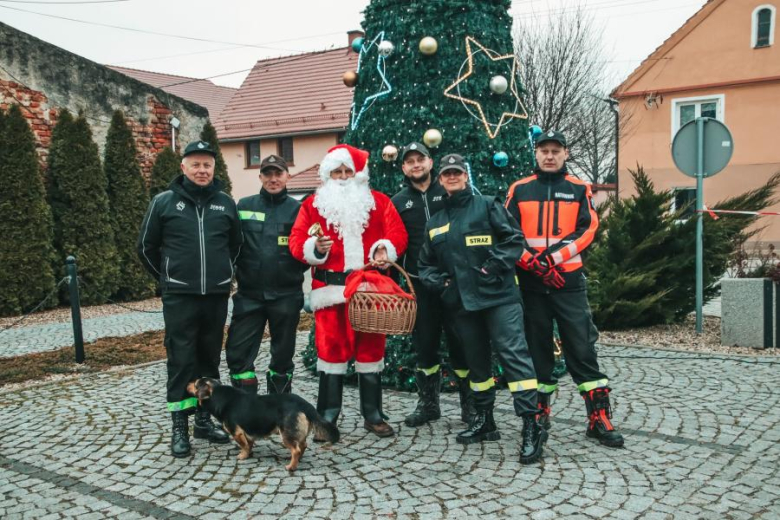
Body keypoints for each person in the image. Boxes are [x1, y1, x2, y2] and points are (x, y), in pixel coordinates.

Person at [418, 153, 546, 464]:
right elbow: (425, 265)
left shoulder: (487, 205)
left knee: (514, 358)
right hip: (462, 304)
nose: (452, 177)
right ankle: (485, 419)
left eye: (457, 172)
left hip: (499, 298)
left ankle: (532, 425)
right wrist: (442, 284)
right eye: (447, 173)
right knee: (476, 364)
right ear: (440, 179)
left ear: (465, 176)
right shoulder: (435, 222)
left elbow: (513, 239)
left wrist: (492, 267)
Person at [505, 130, 624, 448]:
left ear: (565, 154)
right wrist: (531, 263)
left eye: (555, 151)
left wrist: (552, 259)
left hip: (568, 283)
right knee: (536, 350)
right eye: (544, 150)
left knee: (582, 348)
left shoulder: (578, 188)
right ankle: (539, 414)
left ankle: (598, 418)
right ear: (536, 153)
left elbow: (588, 229)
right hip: (531, 283)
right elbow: (507, 231)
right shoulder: (519, 189)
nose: (549, 156)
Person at [289, 144, 408, 438]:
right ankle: (327, 416)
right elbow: (296, 241)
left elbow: (398, 233)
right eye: (337, 171)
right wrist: (315, 248)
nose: (343, 177)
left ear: (359, 174)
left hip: (369, 291)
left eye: (348, 171)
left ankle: (373, 414)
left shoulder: (379, 202)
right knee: (330, 352)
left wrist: (384, 248)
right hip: (329, 290)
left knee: (371, 350)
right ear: (327, 175)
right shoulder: (312, 205)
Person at [137, 140, 242, 458]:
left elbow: (236, 246)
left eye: (207, 164)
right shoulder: (164, 202)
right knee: (181, 361)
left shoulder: (225, 203)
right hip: (179, 297)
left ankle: (204, 421)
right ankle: (180, 427)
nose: (202, 170)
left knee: (209, 359)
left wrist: (224, 274)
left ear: (214, 168)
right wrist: (168, 278)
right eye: (195, 164)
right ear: (183, 167)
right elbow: (145, 247)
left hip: (215, 296)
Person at [391, 142, 472, 427]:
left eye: (420, 159)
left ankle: (469, 406)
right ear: (404, 167)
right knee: (425, 346)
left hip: (454, 283)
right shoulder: (397, 201)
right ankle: (428, 405)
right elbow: (394, 242)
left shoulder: (448, 191)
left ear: (430, 162)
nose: (416, 164)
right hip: (419, 286)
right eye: (410, 161)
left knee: (461, 344)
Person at [225, 155, 307, 395]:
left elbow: (306, 252)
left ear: (287, 176)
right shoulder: (244, 206)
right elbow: (231, 245)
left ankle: (278, 407)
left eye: (278, 173)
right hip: (249, 295)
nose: (273, 179)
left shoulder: (299, 210)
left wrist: (290, 271)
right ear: (260, 176)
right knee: (238, 353)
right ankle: (245, 407)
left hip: (286, 295)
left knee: (282, 357)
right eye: (268, 174)